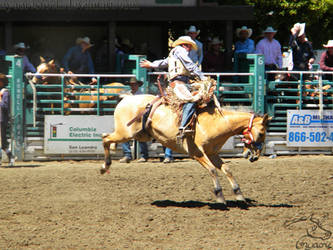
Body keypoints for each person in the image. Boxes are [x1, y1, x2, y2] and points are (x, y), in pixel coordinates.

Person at [140, 35, 206, 140]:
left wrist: (152, 64)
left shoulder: (174, 53)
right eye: (188, 46)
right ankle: (183, 127)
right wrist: (203, 77)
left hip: (182, 82)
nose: (189, 49)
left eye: (190, 47)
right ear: (184, 45)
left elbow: (164, 62)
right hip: (179, 83)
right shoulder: (180, 50)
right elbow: (190, 66)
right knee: (191, 100)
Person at [119, 77, 149, 163]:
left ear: (138, 85)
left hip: (138, 118)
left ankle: (143, 155)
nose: (133, 86)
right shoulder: (128, 94)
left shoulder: (141, 96)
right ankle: (128, 155)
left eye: (134, 85)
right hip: (129, 117)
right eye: (131, 85)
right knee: (125, 136)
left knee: (140, 136)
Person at [0, 74, 14, 166]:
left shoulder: (5, 92)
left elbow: (5, 106)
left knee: (2, 141)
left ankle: (10, 157)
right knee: (2, 141)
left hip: (1, 120)